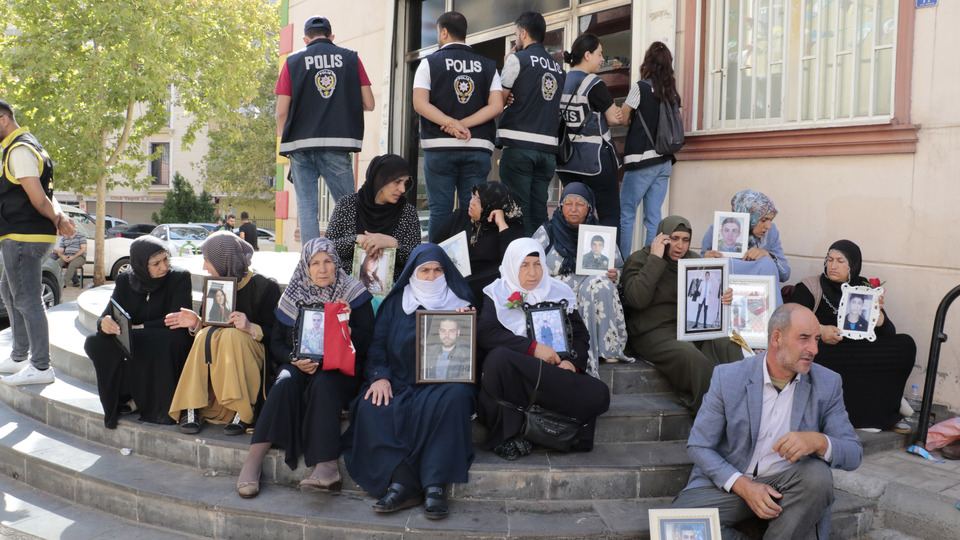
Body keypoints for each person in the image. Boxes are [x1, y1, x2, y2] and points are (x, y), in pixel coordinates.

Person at [672, 304, 863, 540]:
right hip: (732, 482)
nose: (813, 349)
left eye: (816, 339)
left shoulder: (827, 383)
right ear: (776, 339)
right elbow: (699, 445)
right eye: (804, 338)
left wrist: (819, 441)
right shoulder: (728, 377)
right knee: (676, 526)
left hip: (789, 489)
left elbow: (854, 453)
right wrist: (744, 486)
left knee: (818, 477)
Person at [342, 244, 475, 520]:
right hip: (399, 381)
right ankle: (403, 482)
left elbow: (469, 355)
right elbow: (377, 348)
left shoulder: (460, 301)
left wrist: (465, 328)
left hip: (443, 383)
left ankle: (434, 484)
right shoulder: (395, 302)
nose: (431, 276)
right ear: (413, 273)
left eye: (438, 270)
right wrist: (380, 377)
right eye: (424, 270)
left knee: (456, 399)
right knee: (372, 405)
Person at [236, 238, 374, 498]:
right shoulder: (292, 296)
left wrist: (346, 325)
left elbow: (369, 340)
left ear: (336, 264)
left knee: (325, 382)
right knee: (286, 379)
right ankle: (252, 461)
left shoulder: (353, 293)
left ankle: (327, 467)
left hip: (340, 371)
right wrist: (292, 359)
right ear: (305, 267)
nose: (322, 269)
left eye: (328, 262)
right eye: (315, 263)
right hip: (300, 365)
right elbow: (276, 343)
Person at [477, 237, 610, 459]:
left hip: (554, 374)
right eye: (524, 265)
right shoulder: (497, 293)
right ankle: (532, 427)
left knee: (600, 394)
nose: (533, 273)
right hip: (522, 375)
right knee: (497, 359)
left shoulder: (559, 291)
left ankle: (533, 427)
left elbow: (579, 334)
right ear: (511, 266)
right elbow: (486, 333)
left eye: (537, 264)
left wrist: (572, 365)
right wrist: (532, 348)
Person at [787, 240, 916, 431]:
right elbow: (792, 321)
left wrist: (877, 314)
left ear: (853, 266)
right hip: (826, 347)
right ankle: (856, 417)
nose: (833, 265)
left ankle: (886, 408)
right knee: (820, 355)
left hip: (860, 345)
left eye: (840, 261)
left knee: (905, 344)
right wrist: (820, 331)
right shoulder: (810, 286)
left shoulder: (863, 287)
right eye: (830, 260)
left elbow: (888, 332)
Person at [621, 216, 744, 412]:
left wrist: (722, 297)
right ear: (661, 238)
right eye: (674, 238)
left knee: (730, 345)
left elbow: (705, 297)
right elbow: (637, 299)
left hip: (690, 328)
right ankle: (710, 416)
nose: (680, 246)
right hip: (652, 331)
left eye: (685, 240)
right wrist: (655, 259)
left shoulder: (693, 260)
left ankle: (743, 407)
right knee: (691, 358)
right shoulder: (639, 259)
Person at [166, 231, 281, 435]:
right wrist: (197, 323)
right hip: (220, 349)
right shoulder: (215, 285)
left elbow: (278, 333)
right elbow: (212, 324)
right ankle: (192, 405)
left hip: (254, 352)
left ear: (223, 260)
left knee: (232, 335)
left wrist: (250, 328)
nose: (204, 267)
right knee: (205, 333)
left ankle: (243, 409)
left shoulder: (265, 286)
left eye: (207, 260)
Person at [276, 16, 375, 243]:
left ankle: (312, 262)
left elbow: (281, 112)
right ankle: (347, 258)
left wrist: (288, 141)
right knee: (348, 207)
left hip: (300, 145)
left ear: (305, 39)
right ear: (331, 37)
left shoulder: (292, 62)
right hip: (337, 143)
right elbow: (369, 103)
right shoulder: (351, 59)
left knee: (307, 208)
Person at [0, 99, 75, 386]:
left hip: (24, 236)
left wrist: (58, 218)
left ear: (5, 119)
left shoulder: (19, 149)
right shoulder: (29, 145)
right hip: (22, 235)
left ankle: (41, 366)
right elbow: (46, 194)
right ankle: (19, 356)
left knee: (27, 299)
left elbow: (38, 198)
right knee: (8, 292)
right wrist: (60, 216)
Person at [83, 236, 193, 429]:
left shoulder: (179, 278)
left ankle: (159, 406)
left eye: (165, 259)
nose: (164, 266)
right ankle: (122, 398)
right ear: (141, 265)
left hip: (165, 336)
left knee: (171, 339)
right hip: (135, 337)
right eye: (156, 263)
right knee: (95, 342)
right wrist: (104, 323)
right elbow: (108, 313)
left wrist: (140, 328)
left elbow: (176, 319)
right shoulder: (126, 280)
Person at [414, 11, 504, 242]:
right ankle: (470, 267)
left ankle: (434, 267)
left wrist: (452, 124)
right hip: (477, 146)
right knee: (473, 211)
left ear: (444, 32)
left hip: (439, 147)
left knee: (440, 211)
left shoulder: (429, 63)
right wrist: (462, 125)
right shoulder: (488, 66)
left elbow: (420, 103)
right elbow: (496, 106)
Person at [533, 183, 632, 374]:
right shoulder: (547, 232)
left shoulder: (600, 233)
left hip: (591, 293)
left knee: (599, 283)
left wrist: (615, 275)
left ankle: (606, 347)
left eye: (580, 204)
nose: (573, 209)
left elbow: (619, 266)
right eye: (568, 203)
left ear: (590, 208)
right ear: (561, 207)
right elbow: (530, 262)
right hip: (556, 293)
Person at [497, 11, 565, 236]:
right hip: (547, 151)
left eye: (516, 34)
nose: (516, 38)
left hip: (519, 147)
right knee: (538, 210)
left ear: (523, 33)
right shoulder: (558, 68)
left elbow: (498, 100)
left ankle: (522, 264)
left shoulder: (518, 60)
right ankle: (539, 259)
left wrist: (507, 64)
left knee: (517, 210)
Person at [619, 41, 681, 255]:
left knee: (626, 214)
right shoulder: (671, 92)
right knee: (653, 217)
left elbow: (625, 118)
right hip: (664, 161)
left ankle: (625, 268)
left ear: (648, 62)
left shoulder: (640, 87)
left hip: (641, 161)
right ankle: (648, 264)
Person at [555, 33, 622, 232]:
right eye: (599, 54)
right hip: (596, 162)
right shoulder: (593, 83)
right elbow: (613, 118)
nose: (602, 59)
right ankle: (609, 260)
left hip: (565, 161)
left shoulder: (559, 81)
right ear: (587, 55)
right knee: (608, 213)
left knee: (573, 213)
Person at [325, 154, 421, 291]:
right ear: (380, 179)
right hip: (345, 292)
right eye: (397, 182)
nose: (402, 189)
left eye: (405, 183)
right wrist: (357, 240)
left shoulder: (407, 212)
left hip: (392, 295)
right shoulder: (347, 205)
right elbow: (327, 249)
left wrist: (394, 244)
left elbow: (417, 258)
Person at [434, 181, 525, 301]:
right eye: (473, 196)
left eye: (478, 201)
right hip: (451, 280)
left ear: (492, 206)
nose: (471, 202)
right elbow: (434, 247)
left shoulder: (509, 227)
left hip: (485, 288)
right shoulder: (459, 217)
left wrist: (501, 224)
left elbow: (510, 263)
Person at [702, 190, 791, 306]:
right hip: (726, 299)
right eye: (764, 220)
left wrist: (768, 255)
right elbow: (700, 273)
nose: (768, 226)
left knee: (767, 263)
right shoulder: (718, 230)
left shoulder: (771, 233)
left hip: (757, 303)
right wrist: (705, 260)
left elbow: (785, 274)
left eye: (771, 220)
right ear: (749, 216)